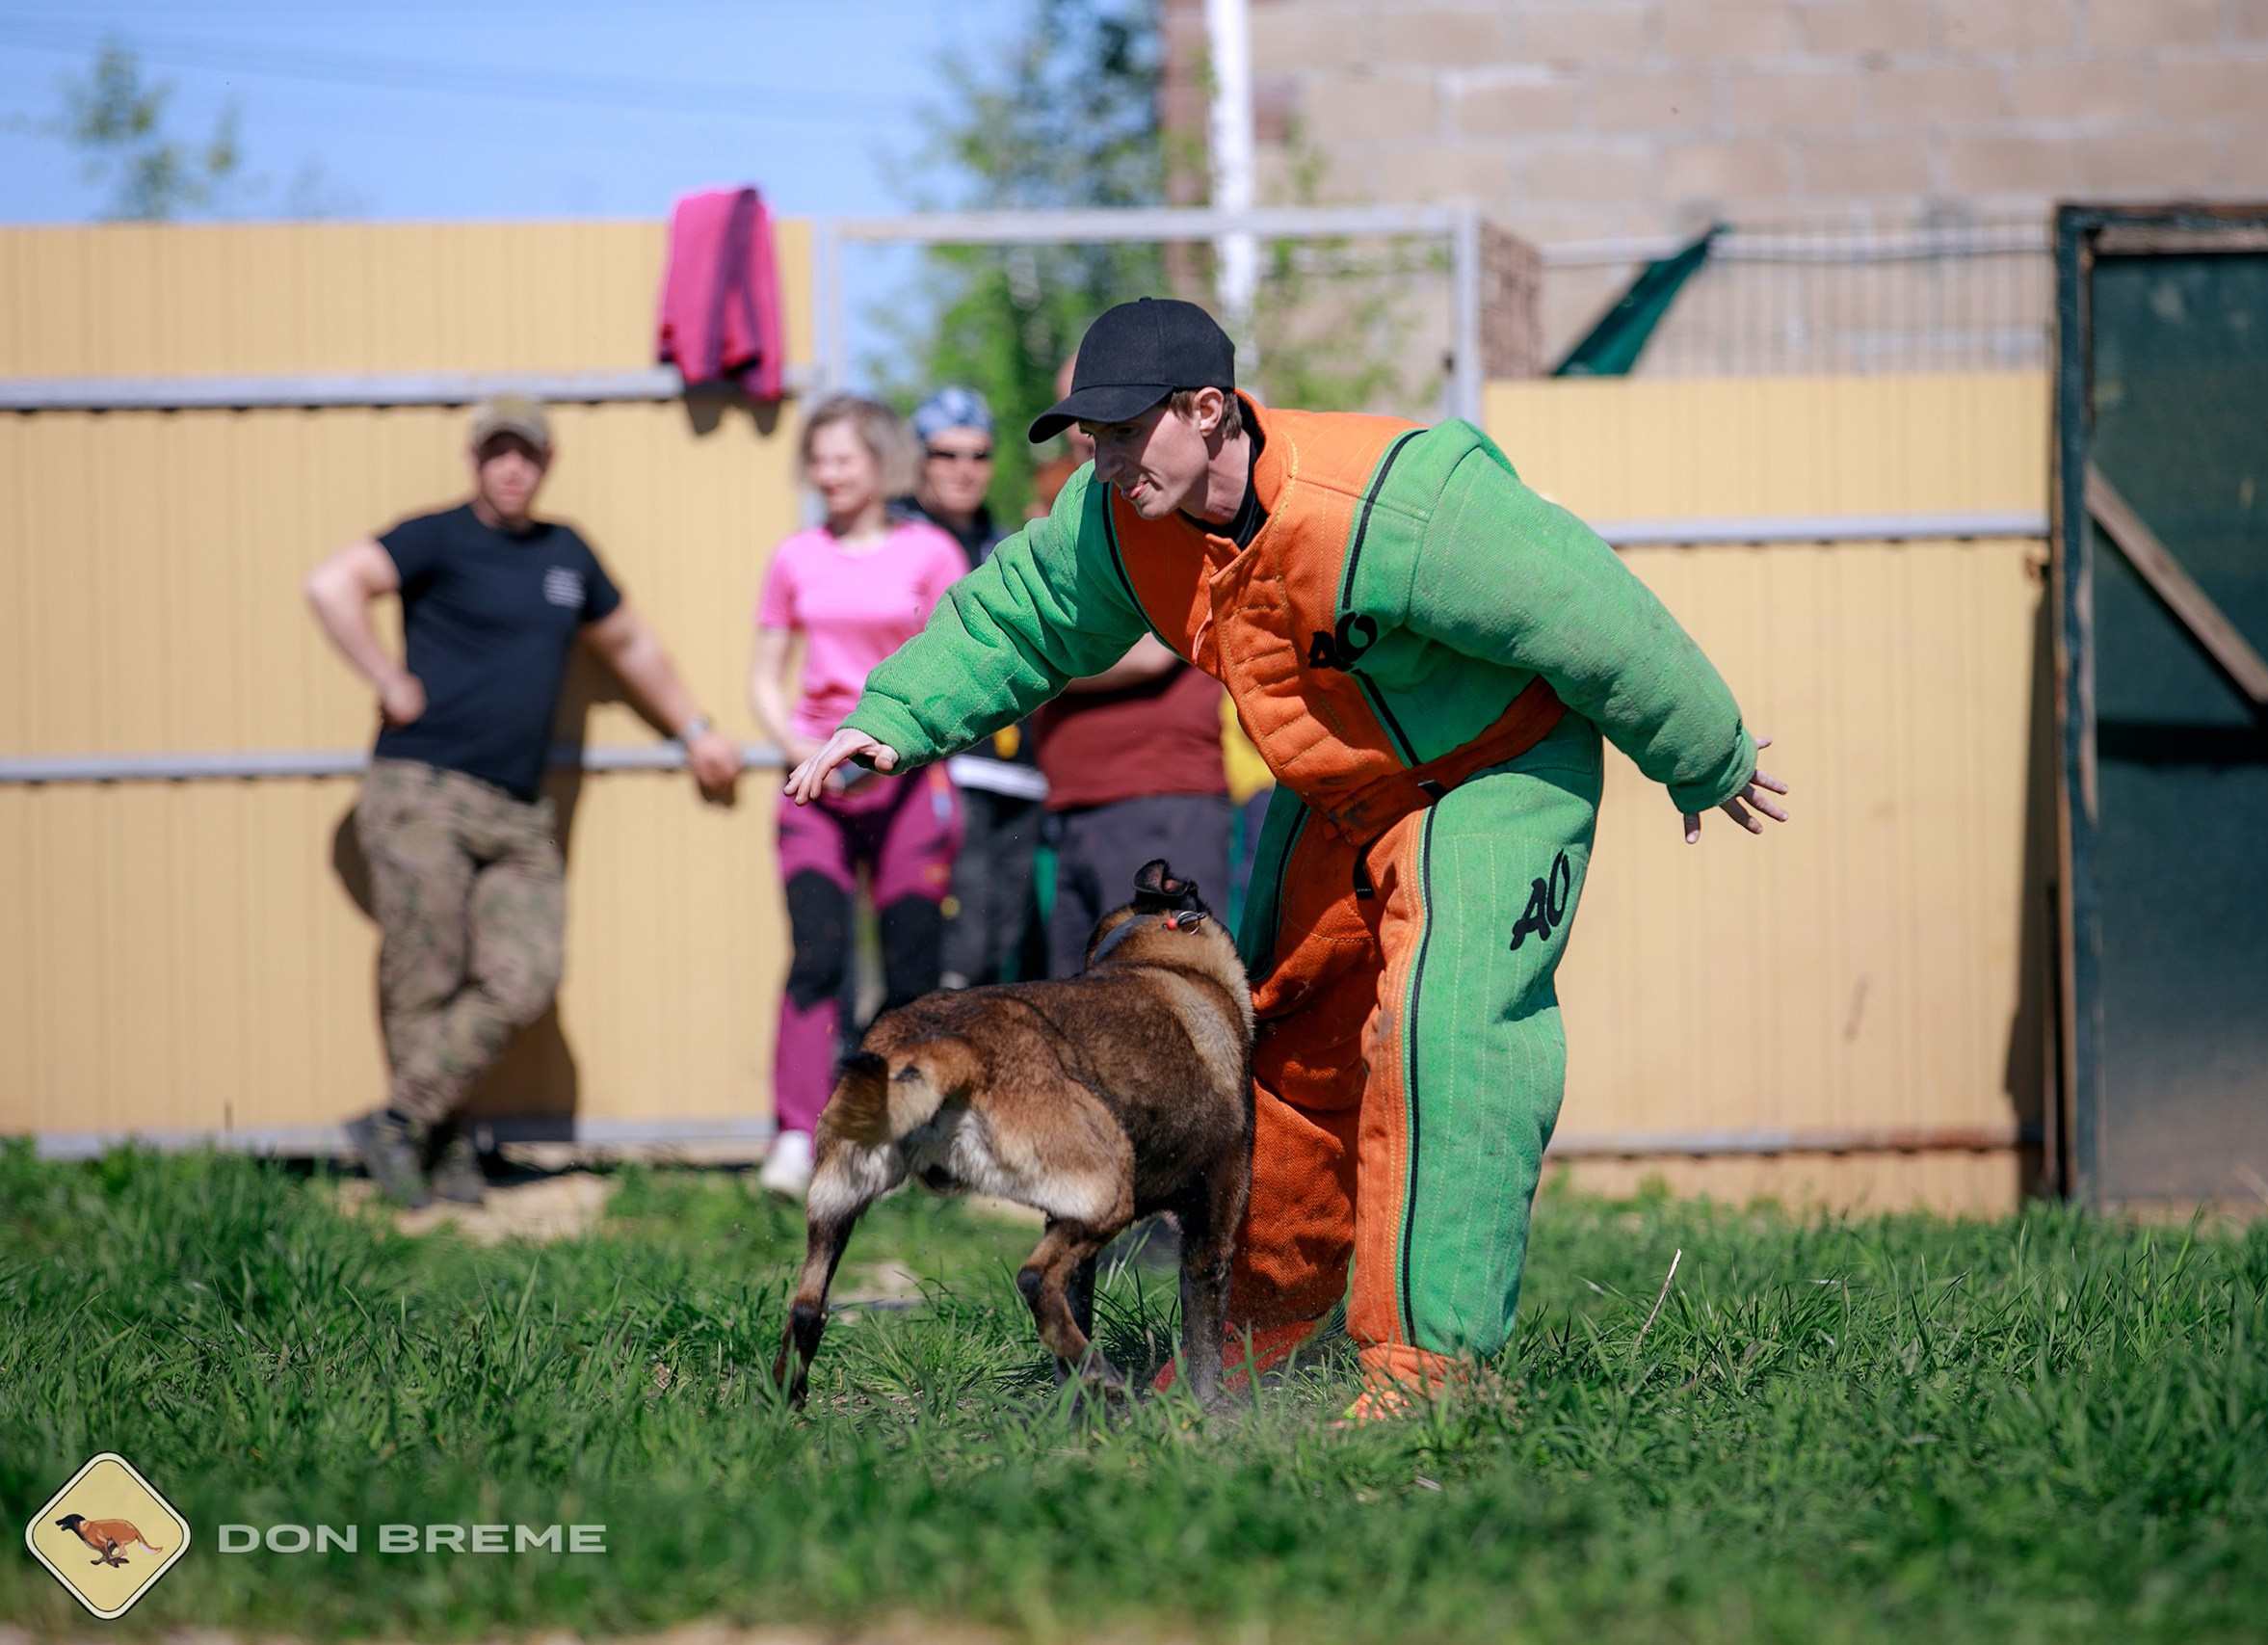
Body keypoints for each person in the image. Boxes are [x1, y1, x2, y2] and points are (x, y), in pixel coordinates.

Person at [788, 298, 1787, 1419]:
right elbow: (1016, 619)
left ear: (1207, 410)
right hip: (1340, 794)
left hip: (1494, 775)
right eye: (1091, 438)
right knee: (1281, 1054)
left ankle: (1430, 1375)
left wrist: (1704, 754)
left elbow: (1583, 607)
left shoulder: (1392, 499)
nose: (1103, 460)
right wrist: (896, 716)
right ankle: (1254, 1338)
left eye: (1124, 433)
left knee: (1443, 1034)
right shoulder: (1118, 522)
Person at [303, 394, 743, 1208]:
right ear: (474, 460)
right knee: (425, 974)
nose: (512, 466)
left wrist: (695, 729)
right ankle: (441, 1149)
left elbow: (631, 644)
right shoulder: (435, 535)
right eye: (497, 452)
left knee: (522, 978)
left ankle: (401, 1121)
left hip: (517, 808)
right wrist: (387, 678)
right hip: (419, 792)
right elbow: (332, 585)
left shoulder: (567, 554)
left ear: (547, 463)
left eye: (528, 453)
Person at [752, 394, 971, 1197]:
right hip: (817, 786)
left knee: (912, 959)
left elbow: (956, 663)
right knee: (817, 953)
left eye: (842, 456)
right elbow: (764, 677)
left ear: (881, 462)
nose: (828, 472)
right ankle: (795, 1132)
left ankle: (903, 1136)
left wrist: (907, 742)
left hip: (910, 782)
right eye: (818, 459)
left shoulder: (933, 552)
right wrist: (798, 750)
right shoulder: (795, 558)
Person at [1026, 355, 1234, 978]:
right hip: (1073, 802)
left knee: (1170, 1005)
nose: (1081, 436)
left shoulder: (1175, 503)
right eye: (1076, 418)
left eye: (1105, 416)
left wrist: (1043, 663)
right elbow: (1027, 629)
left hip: (1160, 796)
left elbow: (1150, 651)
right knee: (1082, 1033)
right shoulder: (1070, 511)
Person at [888, 386, 1048, 991]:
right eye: (947, 454)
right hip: (938, 773)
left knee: (999, 953)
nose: (964, 469)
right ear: (920, 458)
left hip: (1018, 773)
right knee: (949, 954)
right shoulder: (894, 540)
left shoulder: (1008, 545)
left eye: (979, 456)